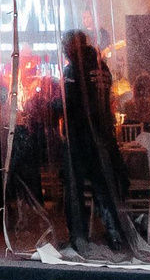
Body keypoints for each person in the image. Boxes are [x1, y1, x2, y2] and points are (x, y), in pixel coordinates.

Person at [57, 31, 138, 258]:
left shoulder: (73, 70)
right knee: (102, 188)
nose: (63, 48)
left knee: (74, 189)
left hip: (80, 137)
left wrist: (52, 102)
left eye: (65, 44)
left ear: (73, 45)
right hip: (102, 137)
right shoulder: (102, 68)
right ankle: (114, 234)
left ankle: (79, 237)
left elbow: (68, 103)